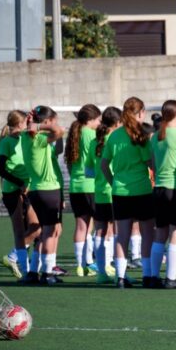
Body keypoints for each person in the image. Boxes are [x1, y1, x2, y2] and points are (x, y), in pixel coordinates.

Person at [101, 97, 155, 289]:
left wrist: (113, 182)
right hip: (141, 189)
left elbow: (103, 165)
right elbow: (151, 163)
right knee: (148, 233)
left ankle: (121, 277)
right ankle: (148, 275)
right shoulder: (141, 135)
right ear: (140, 113)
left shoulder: (114, 136)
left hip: (120, 192)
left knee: (121, 236)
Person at [20, 105, 65, 286]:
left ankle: (33, 271)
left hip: (37, 189)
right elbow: (59, 131)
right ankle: (47, 272)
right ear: (45, 122)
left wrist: (35, 126)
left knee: (46, 232)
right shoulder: (38, 138)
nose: (55, 124)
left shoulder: (26, 137)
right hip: (48, 190)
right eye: (52, 121)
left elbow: (57, 136)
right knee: (50, 232)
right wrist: (38, 127)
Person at [0, 110, 40, 279]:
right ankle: (25, 269)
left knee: (37, 228)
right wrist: (19, 183)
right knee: (19, 230)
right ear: (19, 124)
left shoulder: (24, 139)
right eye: (25, 123)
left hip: (26, 188)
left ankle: (13, 258)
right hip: (13, 190)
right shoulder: (6, 142)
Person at [150, 100, 176, 289]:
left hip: (159, 189)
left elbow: (153, 164)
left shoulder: (156, 136)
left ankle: (154, 276)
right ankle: (171, 278)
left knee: (160, 233)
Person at [65, 104, 101, 277]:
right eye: (98, 119)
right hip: (91, 185)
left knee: (81, 226)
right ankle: (93, 263)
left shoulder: (75, 133)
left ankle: (81, 265)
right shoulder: (90, 135)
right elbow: (96, 159)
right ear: (90, 120)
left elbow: (70, 163)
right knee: (96, 225)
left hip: (75, 186)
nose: (99, 123)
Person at [89, 106, 121, 285]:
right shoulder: (116, 140)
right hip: (114, 191)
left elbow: (89, 169)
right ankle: (119, 272)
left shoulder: (95, 142)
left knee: (100, 232)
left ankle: (101, 272)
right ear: (117, 123)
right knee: (118, 232)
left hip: (99, 192)